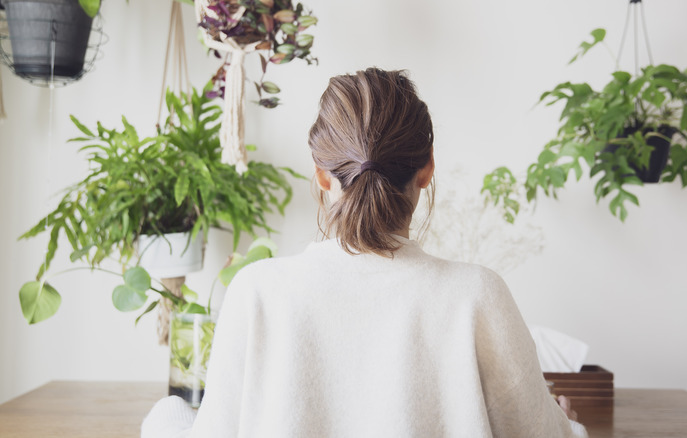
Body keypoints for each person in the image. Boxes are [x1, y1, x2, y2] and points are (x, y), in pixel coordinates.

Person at [141, 68, 588, 438]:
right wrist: (568, 426)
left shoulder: (257, 292)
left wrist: (166, 416)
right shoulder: (478, 294)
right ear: (427, 167)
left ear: (321, 175)